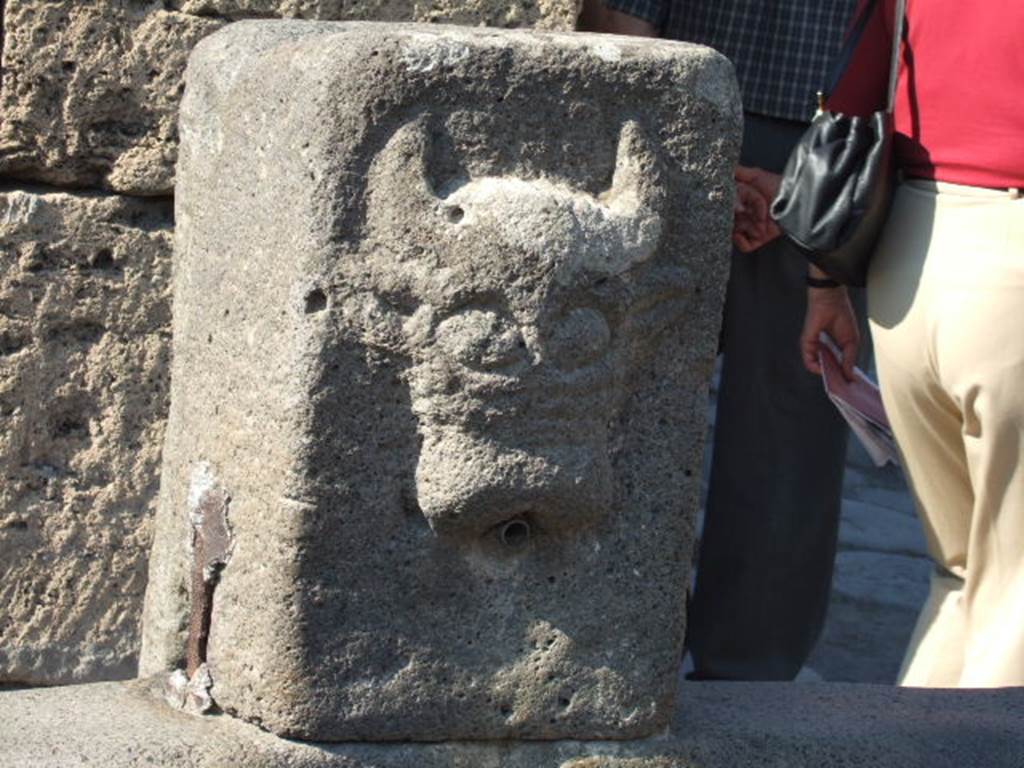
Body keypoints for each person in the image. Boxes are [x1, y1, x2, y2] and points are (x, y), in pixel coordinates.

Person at [737, 0, 1024, 686]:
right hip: (1008, 262)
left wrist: (824, 286)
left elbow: (851, 102)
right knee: (1010, 592)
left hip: (911, 264)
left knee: (959, 575)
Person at [589, 0, 860, 681]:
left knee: (623, 393)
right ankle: (751, 667)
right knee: (788, 424)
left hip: (676, 104)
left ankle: (614, 633)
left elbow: (625, 18)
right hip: (832, 125)